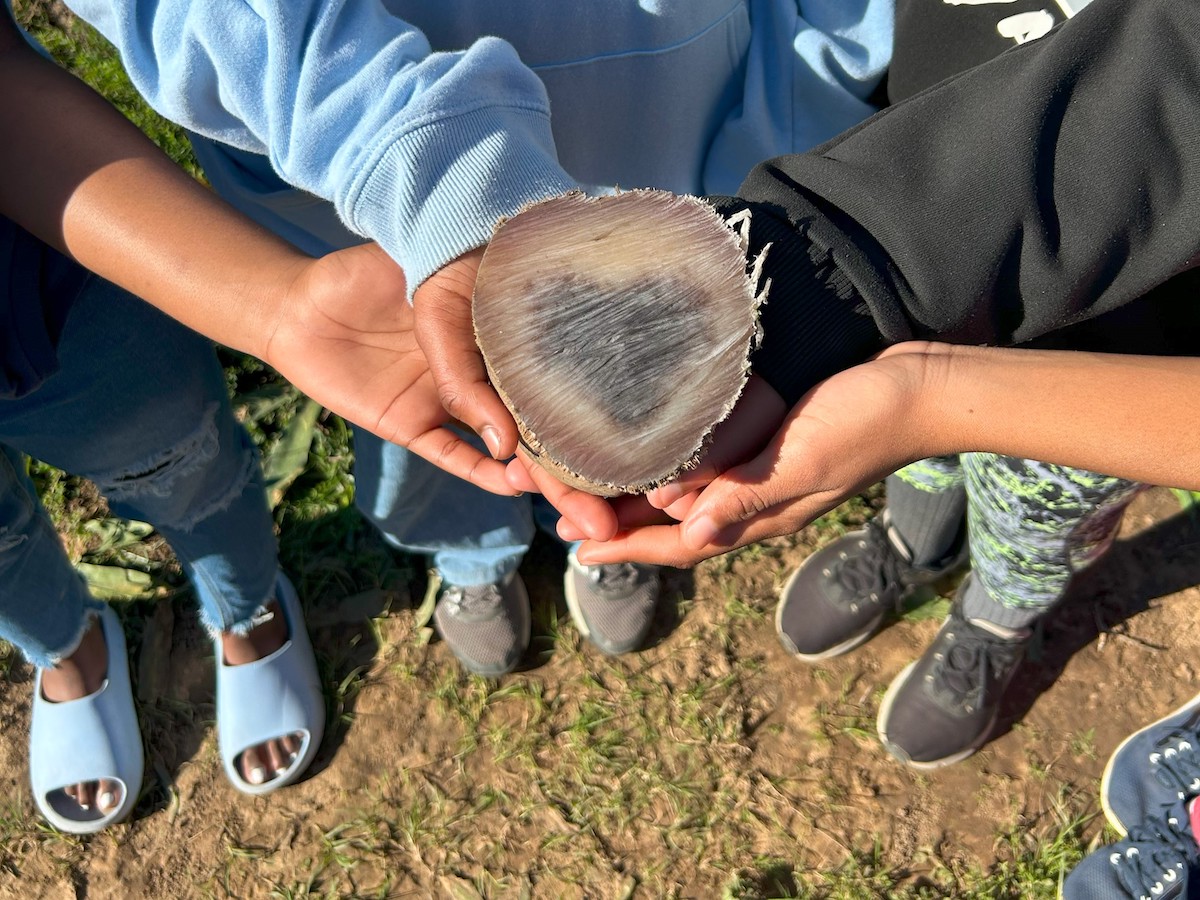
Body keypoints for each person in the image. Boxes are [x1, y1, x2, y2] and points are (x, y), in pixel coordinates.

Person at [58, 0, 895, 674]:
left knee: (633, 428)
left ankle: (604, 532)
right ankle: (472, 550)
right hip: (365, 196)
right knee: (441, 413)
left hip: (687, 126)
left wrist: (783, 145)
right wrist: (437, 184)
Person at [504, 0, 1200, 770]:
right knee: (912, 458)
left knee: (1042, 514)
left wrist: (915, 382)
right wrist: (844, 288)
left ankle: (994, 620)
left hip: (1120, 367)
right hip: (922, 244)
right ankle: (912, 543)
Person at [1, 3, 489, 833]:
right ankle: (62, 648)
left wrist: (280, 309)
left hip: (42, 288)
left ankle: (247, 607)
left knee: (180, 465)